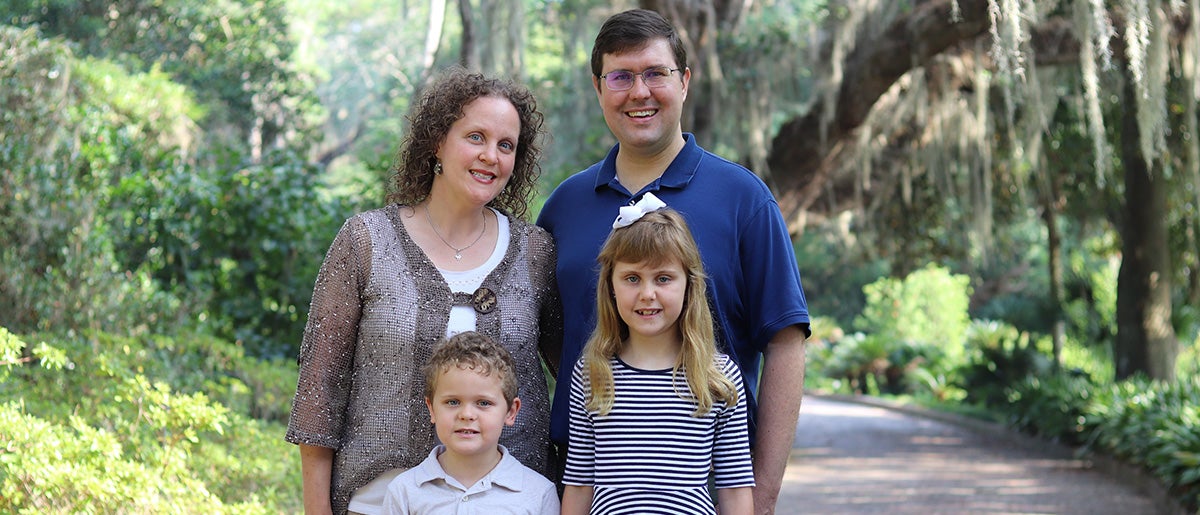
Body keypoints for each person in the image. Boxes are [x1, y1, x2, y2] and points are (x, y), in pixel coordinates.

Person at [536, 8, 810, 513]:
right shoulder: (565, 207)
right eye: (620, 76)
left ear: (683, 82)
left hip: (708, 486)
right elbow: (554, 331)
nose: (639, 92)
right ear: (599, 89)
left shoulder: (744, 199)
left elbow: (786, 342)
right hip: (584, 484)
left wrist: (763, 494)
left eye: (655, 73)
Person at [286, 67, 561, 515]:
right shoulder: (366, 241)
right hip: (375, 502)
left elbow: (578, 374)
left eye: (505, 145)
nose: (491, 156)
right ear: (437, 141)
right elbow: (319, 394)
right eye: (475, 137)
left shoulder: (535, 252)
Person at [560, 200, 755, 515]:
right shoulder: (592, 373)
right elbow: (580, 484)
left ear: (688, 286)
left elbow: (734, 488)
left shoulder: (717, 376)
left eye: (663, 278)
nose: (647, 293)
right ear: (610, 285)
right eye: (632, 278)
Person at [381, 331, 560, 514]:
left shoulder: (538, 494)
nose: (466, 415)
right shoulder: (404, 491)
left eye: (483, 403)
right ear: (432, 409)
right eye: (453, 402)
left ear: (511, 411)